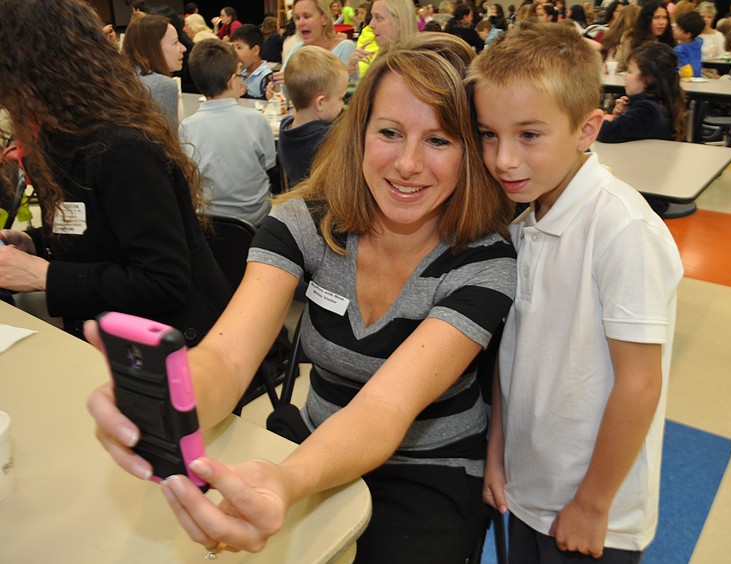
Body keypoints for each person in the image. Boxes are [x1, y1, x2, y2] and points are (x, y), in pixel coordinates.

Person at [88, 32, 516, 563]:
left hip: (429, 471)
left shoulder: (485, 262)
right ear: (359, 133)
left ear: (470, 154)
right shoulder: (304, 222)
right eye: (389, 132)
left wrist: (287, 480)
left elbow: (385, 407)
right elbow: (228, 356)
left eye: (439, 140)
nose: (408, 163)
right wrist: (165, 403)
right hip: (316, 445)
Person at [469, 22, 683, 562]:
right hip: (527, 489)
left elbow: (640, 384)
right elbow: (513, 355)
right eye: (489, 134)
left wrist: (592, 502)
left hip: (594, 511)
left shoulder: (622, 229)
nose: (503, 159)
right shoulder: (525, 222)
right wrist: (498, 452)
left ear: (587, 129)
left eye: (529, 135)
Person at [0, 0, 231, 346]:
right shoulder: (60, 135)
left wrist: (45, 275)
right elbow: (96, 230)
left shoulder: (123, 148)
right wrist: (38, 243)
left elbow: (164, 283)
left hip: (177, 347)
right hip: (111, 336)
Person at [179, 40, 276, 227]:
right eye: (240, 75)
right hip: (255, 217)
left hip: (208, 219)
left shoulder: (187, 127)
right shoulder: (256, 120)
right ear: (232, 81)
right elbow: (268, 164)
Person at [278, 45, 348, 187]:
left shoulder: (286, 126)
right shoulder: (326, 138)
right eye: (341, 98)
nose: (343, 104)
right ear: (320, 103)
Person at [599, 42, 685, 142]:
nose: (625, 75)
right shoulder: (662, 103)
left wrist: (605, 119)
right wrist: (622, 116)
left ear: (648, 80)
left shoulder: (647, 111)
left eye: (629, 71)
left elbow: (607, 133)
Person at [123, 14, 186, 126]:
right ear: (152, 48)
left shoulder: (122, 78)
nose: (183, 48)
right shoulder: (162, 85)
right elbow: (168, 135)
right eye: (175, 42)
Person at [347, 0, 418, 77]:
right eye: (372, 17)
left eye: (378, 18)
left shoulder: (411, 67)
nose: (371, 25)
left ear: (399, 23)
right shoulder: (384, 55)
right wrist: (352, 69)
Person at [229, 25, 274, 99]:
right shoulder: (240, 72)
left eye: (239, 47)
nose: (234, 52)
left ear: (255, 50)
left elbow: (265, 101)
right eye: (233, 48)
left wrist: (245, 95)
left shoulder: (266, 76)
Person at [674, 10, 705, 78]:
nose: (674, 29)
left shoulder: (679, 50)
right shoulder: (698, 42)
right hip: (698, 76)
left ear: (687, 34)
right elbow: (699, 39)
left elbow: (686, 72)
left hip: (686, 80)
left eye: (677, 28)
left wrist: (673, 72)